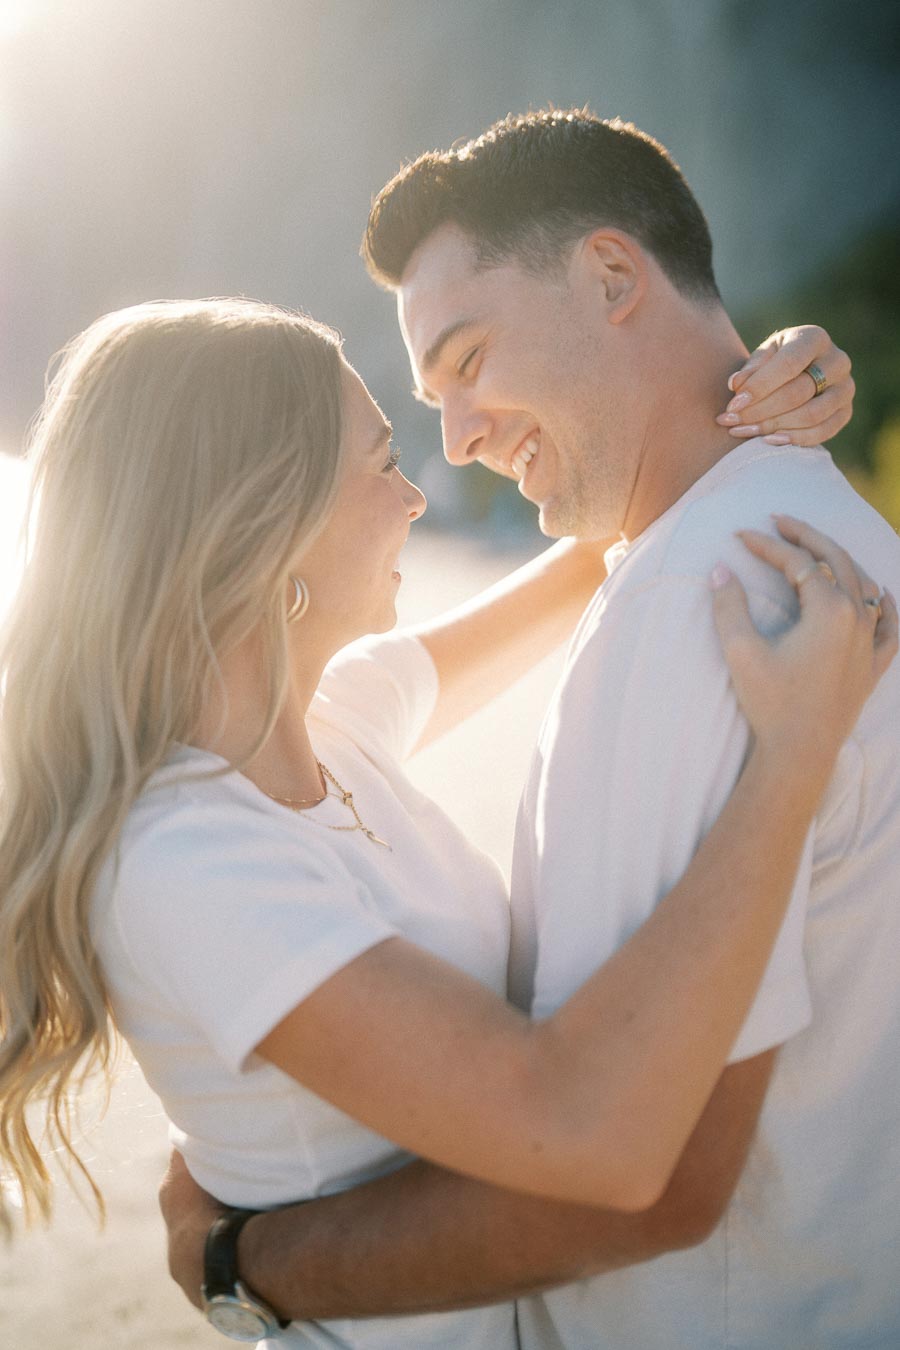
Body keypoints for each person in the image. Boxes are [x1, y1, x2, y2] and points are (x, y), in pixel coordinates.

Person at [0, 299, 887, 1350]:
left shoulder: (337, 721)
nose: (418, 497)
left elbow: (613, 532)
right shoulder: (182, 860)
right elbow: (581, 1130)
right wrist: (793, 757)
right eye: (381, 464)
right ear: (264, 523)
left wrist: (753, 393)